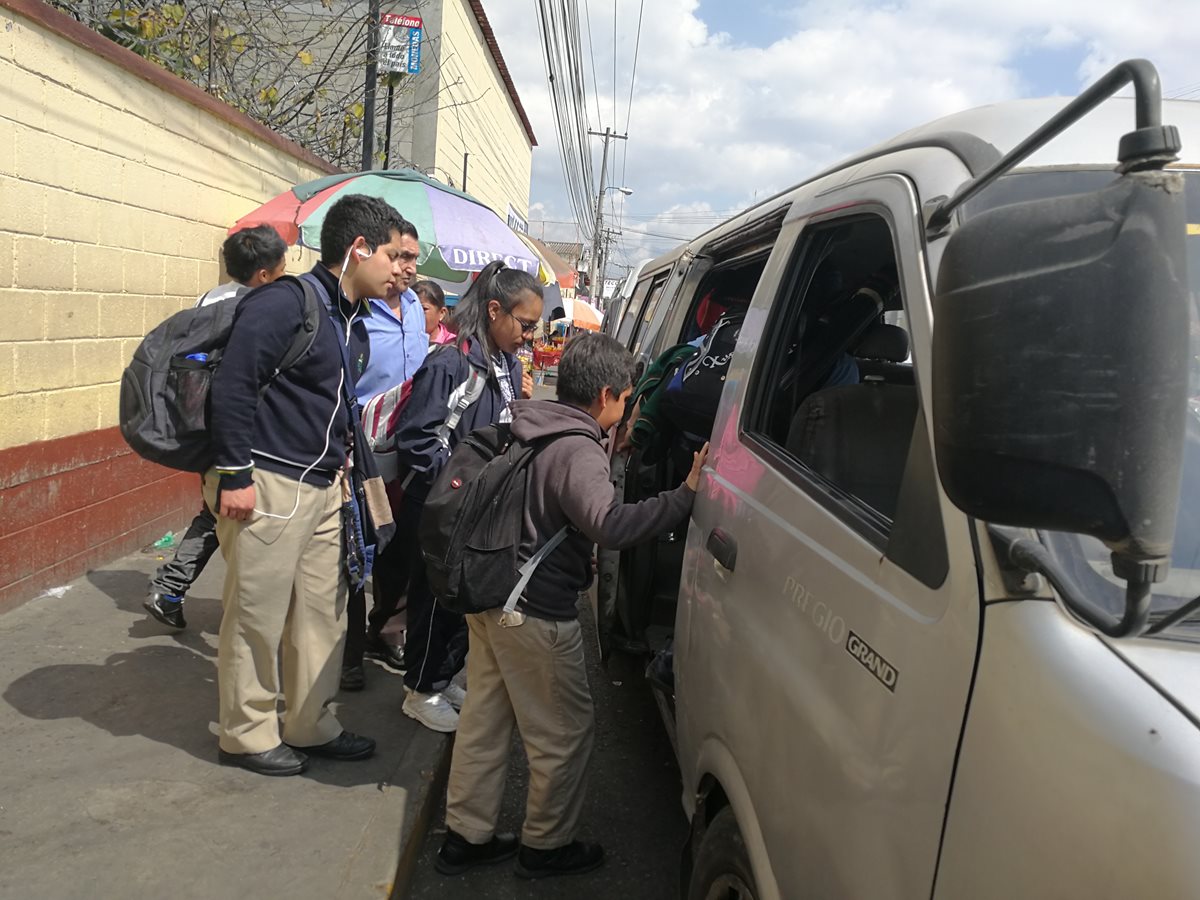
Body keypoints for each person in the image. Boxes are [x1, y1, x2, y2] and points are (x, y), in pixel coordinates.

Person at [435, 333, 707, 879]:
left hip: (490, 599)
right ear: (606, 394)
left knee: (485, 722)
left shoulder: (535, 424)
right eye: (627, 398)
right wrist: (685, 494)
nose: (628, 407)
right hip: (533, 615)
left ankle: (466, 837)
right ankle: (546, 846)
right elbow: (608, 524)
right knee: (562, 733)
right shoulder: (578, 449)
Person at [203, 193, 413, 777]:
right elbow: (234, 387)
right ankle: (245, 736)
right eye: (394, 256)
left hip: (323, 489)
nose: (402, 269)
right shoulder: (285, 302)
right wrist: (236, 476)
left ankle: (309, 724)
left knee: (323, 615)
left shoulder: (347, 316)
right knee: (256, 616)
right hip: (267, 484)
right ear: (358, 249)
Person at [393, 261, 539, 733]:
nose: (529, 337)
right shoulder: (452, 361)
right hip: (443, 504)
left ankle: (441, 675)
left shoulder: (507, 365)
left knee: (463, 597)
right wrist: (455, 486)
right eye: (525, 325)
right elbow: (416, 438)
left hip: (479, 505)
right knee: (435, 598)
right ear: (495, 310)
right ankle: (419, 689)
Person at [143, 224, 288, 630]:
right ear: (263, 275)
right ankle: (180, 591)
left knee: (212, 510)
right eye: (281, 269)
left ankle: (169, 589)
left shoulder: (211, 297)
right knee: (225, 514)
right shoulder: (257, 308)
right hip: (238, 430)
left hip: (198, 422)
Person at [340, 242, 426, 692]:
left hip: (403, 454)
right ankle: (349, 657)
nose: (405, 268)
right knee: (357, 553)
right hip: (358, 450)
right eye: (398, 256)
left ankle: (383, 631)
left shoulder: (414, 307)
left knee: (396, 550)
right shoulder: (355, 309)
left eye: (413, 258)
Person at [415, 280, 456, 348]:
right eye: (412, 309)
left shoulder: (453, 344)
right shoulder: (401, 340)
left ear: (442, 313)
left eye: (424, 309)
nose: (416, 314)